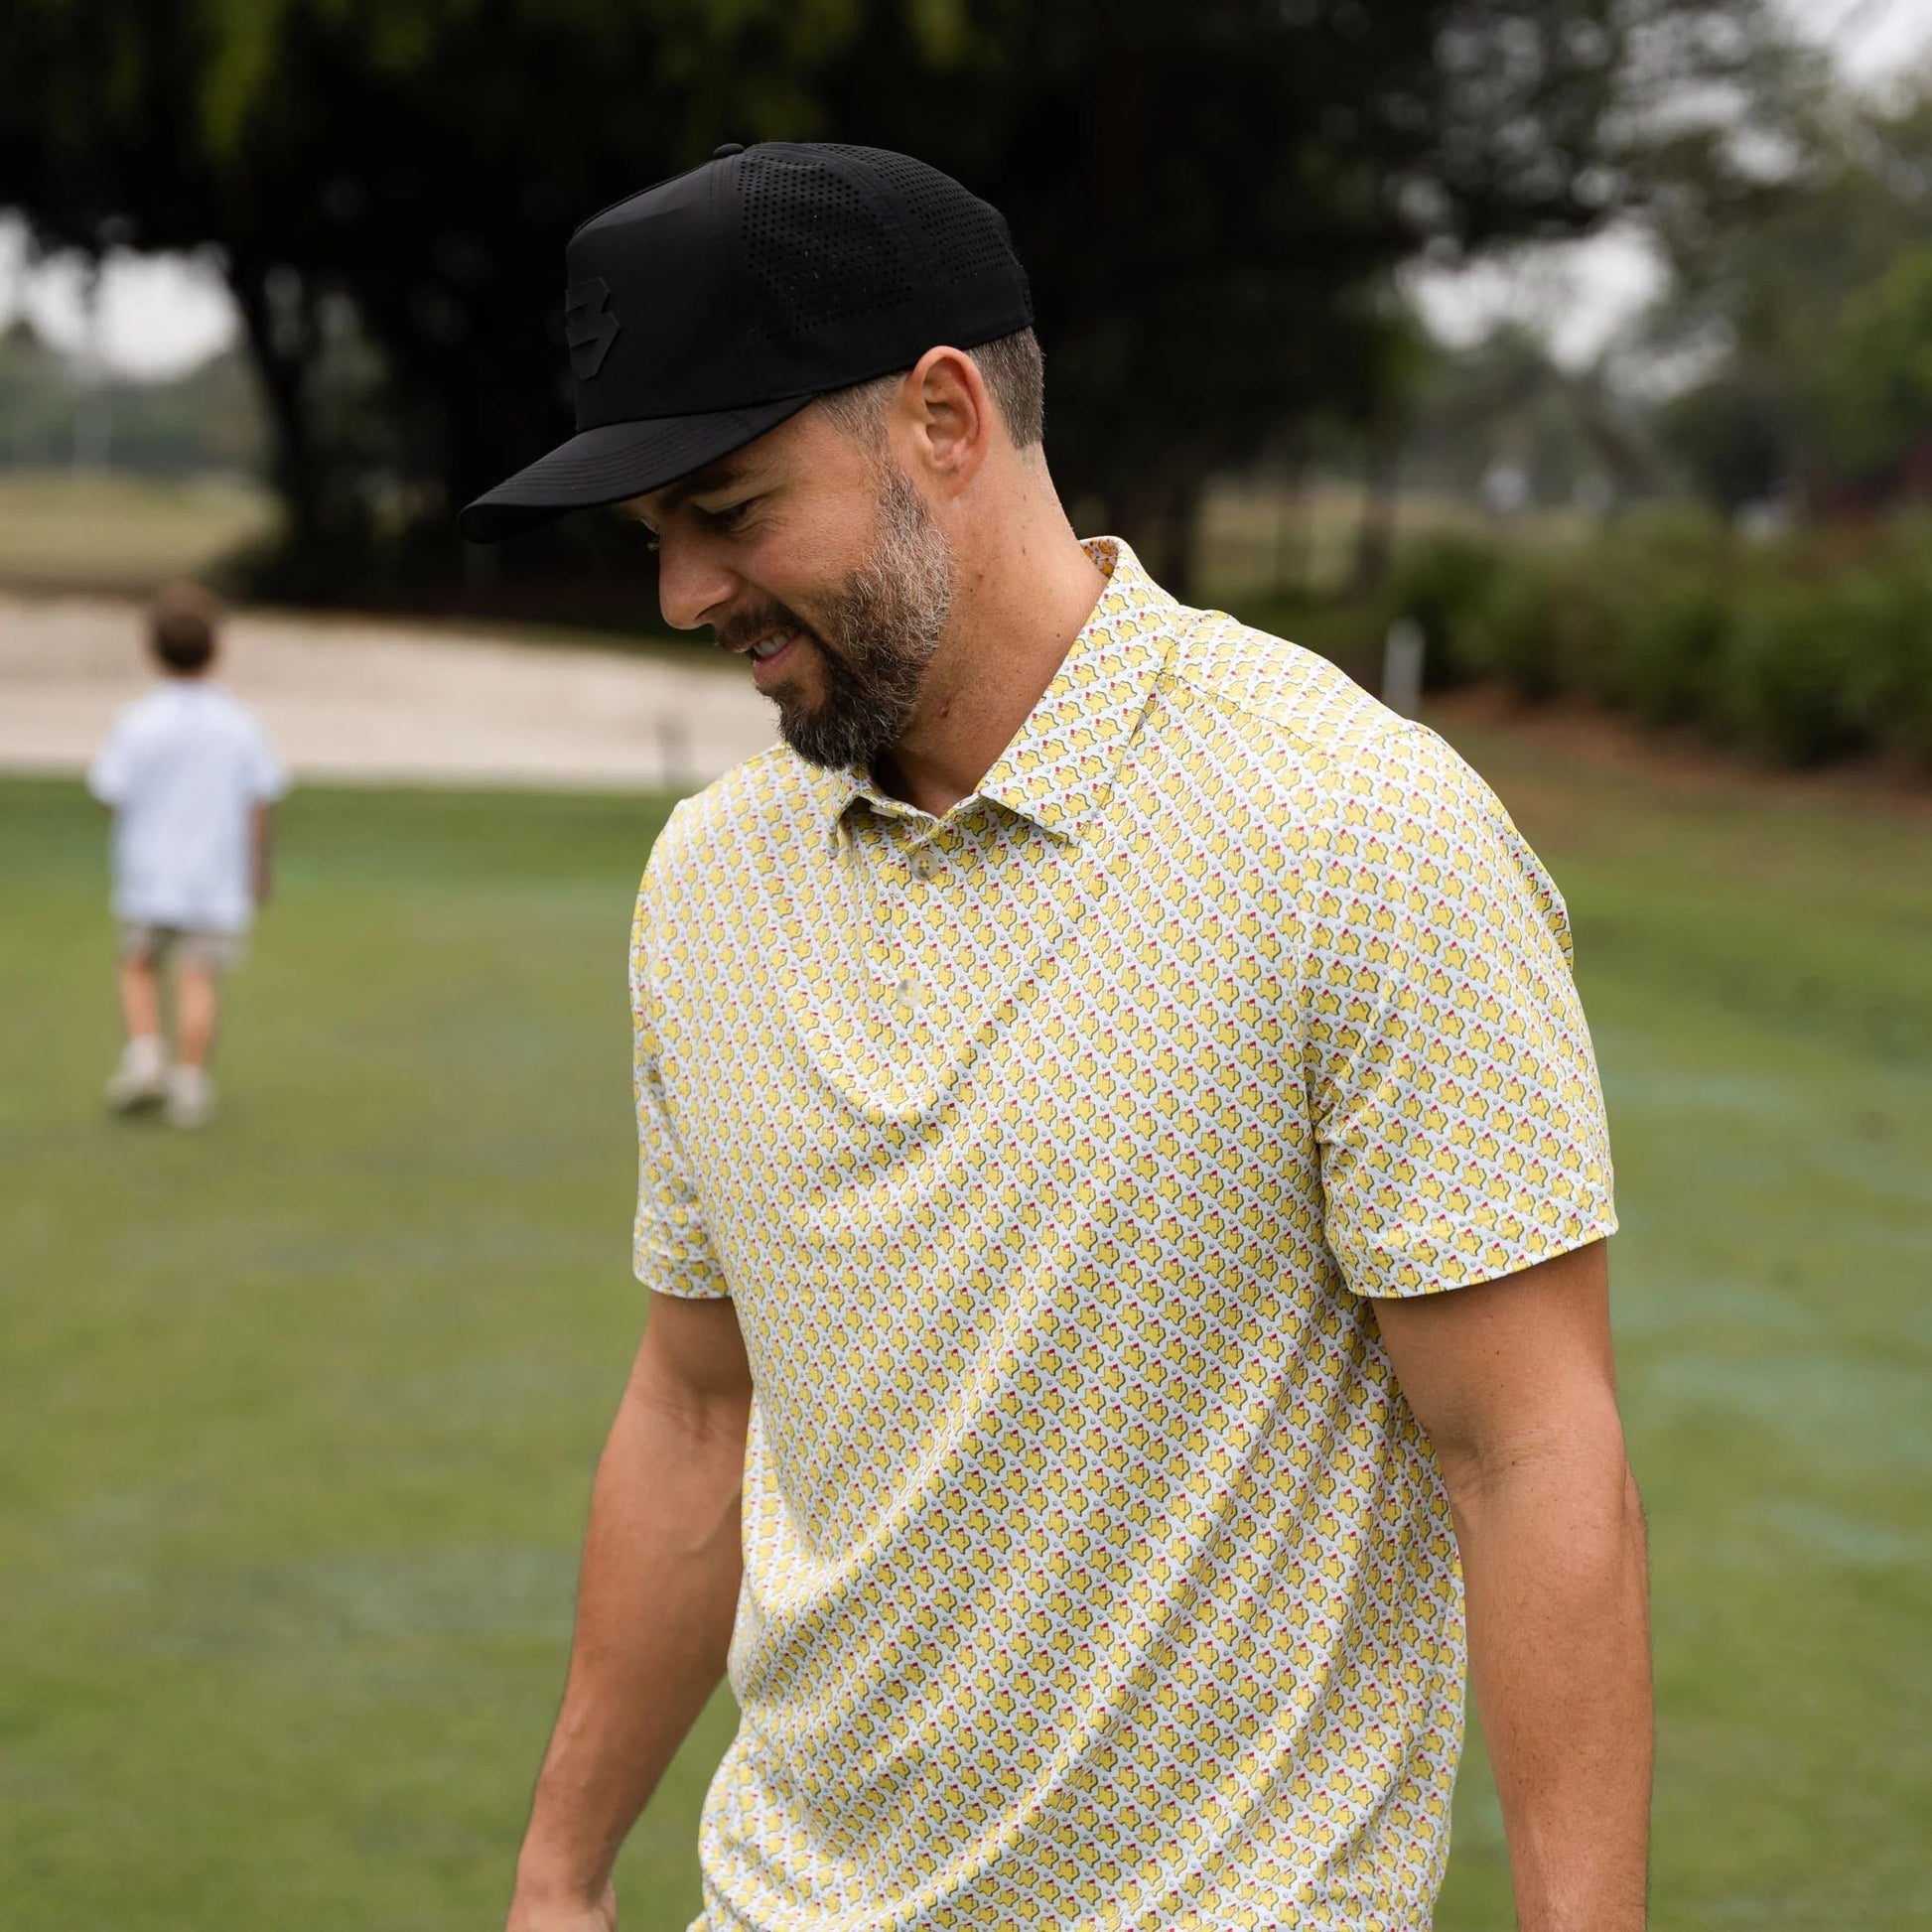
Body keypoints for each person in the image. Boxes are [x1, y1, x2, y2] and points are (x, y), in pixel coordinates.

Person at [462, 144, 1650, 1932]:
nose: (683, 596)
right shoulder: (705, 877)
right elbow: (696, 1411)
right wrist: (559, 1872)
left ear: (943, 417)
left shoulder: (1351, 832)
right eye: (655, 541)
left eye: (727, 506)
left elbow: (1531, 1454)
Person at [89, 583, 287, 1129]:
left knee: (138, 963)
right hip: (215, 871)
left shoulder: (137, 720)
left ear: (152, 650)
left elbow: (110, 792)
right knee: (198, 975)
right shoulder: (240, 723)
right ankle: (189, 1080)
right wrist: (259, 864)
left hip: (149, 869)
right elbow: (260, 799)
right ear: (216, 649)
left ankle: (146, 1051)